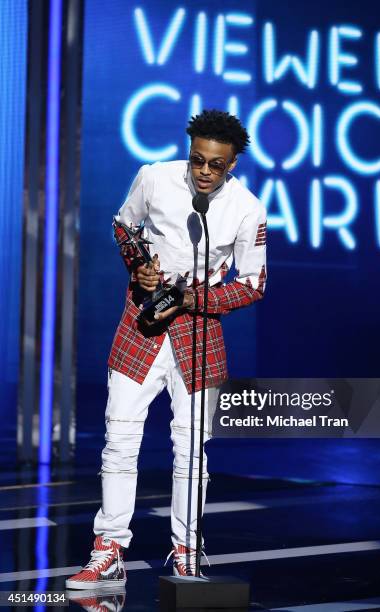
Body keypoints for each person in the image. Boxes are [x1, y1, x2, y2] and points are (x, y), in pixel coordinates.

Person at [66, 109, 267, 589]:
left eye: (215, 165)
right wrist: (139, 265)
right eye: (197, 159)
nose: (203, 171)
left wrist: (196, 297)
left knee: (191, 450)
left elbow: (254, 284)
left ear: (233, 163)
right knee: (119, 442)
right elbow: (124, 225)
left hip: (199, 335)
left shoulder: (247, 208)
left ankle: (186, 552)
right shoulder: (153, 179)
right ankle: (108, 549)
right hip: (143, 327)